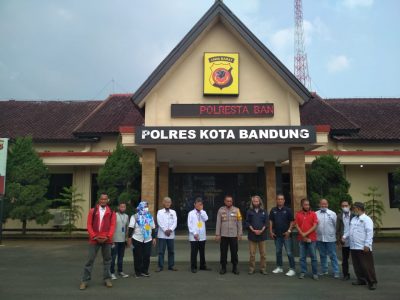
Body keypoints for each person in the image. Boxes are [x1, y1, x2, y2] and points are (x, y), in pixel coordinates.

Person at [79, 193, 116, 290]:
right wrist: (94, 236)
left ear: (108, 200)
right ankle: (85, 280)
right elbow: (89, 225)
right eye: (102, 199)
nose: (103, 200)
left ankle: (107, 279)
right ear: (99, 200)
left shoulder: (112, 212)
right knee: (89, 260)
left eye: (105, 199)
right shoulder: (93, 211)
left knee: (107, 260)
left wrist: (107, 237)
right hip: (94, 239)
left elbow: (112, 226)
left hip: (107, 240)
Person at [344, 202, 377, 290]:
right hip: (354, 246)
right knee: (357, 265)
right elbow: (349, 230)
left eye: (354, 208)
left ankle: (372, 282)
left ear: (358, 208)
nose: (353, 210)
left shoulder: (367, 219)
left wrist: (367, 245)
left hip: (363, 247)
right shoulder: (354, 219)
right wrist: (344, 236)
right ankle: (361, 280)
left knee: (367, 265)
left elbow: (369, 233)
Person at [127, 201, 156, 278]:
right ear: (140, 207)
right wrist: (129, 238)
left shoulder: (150, 216)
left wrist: (154, 238)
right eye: (144, 207)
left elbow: (153, 228)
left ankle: (145, 271)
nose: (146, 208)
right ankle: (137, 272)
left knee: (147, 256)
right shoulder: (135, 217)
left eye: (147, 207)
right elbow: (131, 228)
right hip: (137, 239)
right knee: (138, 256)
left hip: (148, 239)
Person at [269, 194, 296, 277]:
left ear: (284, 201)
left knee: (289, 252)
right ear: (276, 200)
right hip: (277, 235)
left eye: (281, 199)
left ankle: (292, 269)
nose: (280, 200)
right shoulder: (273, 210)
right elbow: (271, 221)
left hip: (286, 235)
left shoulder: (288, 210)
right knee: (278, 252)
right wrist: (270, 231)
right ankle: (279, 267)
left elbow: (292, 221)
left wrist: (289, 231)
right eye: (278, 199)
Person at [215, 195, 243, 275]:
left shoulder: (237, 210)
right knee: (223, 252)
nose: (229, 202)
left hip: (233, 235)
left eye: (230, 201)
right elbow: (218, 222)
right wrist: (217, 234)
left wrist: (240, 233)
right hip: (224, 235)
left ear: (232, 201)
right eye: (227, 201)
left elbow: (239, 222)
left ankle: (235, 267)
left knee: (234, 252)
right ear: (224, 201)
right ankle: (223, 267)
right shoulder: (221, 210)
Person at [295, 198, 319, 280]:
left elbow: (315, 225)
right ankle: (303, 272)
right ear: (302, 205)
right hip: (301, 239)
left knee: (313, 257)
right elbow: (296, 225)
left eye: (308, 204)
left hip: (311, 239)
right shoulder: (298, 214)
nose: (307, 206)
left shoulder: (313, 214)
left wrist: (305, 234)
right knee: (302, 257)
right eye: (305, 204)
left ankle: (315, 273)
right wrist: (302, 235)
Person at [316, 198, 340, 278]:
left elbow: (336, 225)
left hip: (330, 238)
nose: (323, 205)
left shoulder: (332, 213)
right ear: (319, 205)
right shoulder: (316, 213)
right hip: (319, 238)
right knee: (322, 255)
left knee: (332, 255)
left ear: (327, 204)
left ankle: (336, 271)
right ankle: (324, 270)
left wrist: (336, 235)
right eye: (322, 204)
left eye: (325, 204)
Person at [245, 195, 268, 275]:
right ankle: (251, 269)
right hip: (252, 235)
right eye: (254, 201)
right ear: (252, 202)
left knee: (263, 254)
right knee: (252, 254)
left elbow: (266, 222)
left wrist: (261, 230)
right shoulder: (249, 211)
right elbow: (247, 222)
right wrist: (253, 230)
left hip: (262, 235)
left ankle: (263, 269)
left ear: (260, 202)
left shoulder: (264, 211)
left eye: (257, 201)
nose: (256, 202)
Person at [187, 197, 211, 273]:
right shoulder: (191, 213)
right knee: (194, 252)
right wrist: (194, 233)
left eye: (200, 204)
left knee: (202, 252)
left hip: (202, 236)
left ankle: (202, 266)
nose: (199, 206)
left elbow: (206, 219)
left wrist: (202, 211)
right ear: (194, 204)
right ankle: (193, 267)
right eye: (197, 204)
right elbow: (189, 225)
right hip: (194, 236)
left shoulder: (203, 212)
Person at [156, 196, 178, 272]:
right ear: (163, 203)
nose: (168, 203)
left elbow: (175, 222)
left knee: (171, 251)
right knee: (161, 251)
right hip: (162, 235)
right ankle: (160, 266)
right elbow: (160, 222)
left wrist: (170, 230)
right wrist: (165, 230)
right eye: (166, 202)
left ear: (171, 203)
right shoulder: (160, 212)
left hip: (170, 235)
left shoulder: (173, 212)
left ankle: (171, 266)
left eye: (169, 202)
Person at [336, 199, 355, 281]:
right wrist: (339, 241)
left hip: (354, 241)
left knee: (356, 259)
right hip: (344, 241)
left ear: (350, 206)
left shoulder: (354, 215)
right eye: (343, 206)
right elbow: (338, 229)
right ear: (341, 207)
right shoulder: (339, 216)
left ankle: (361, 275)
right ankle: (346, 274)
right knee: (344, 259)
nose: (345, 207)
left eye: (346, 205)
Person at [110, 202, 130, 280]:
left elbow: (127, 228)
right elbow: (111, 228)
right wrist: (111, 239)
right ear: (118, 207)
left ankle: (120, 271)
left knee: (121, 257)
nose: (122, 208)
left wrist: (127, 238)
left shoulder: (126, 216)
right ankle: (111, 272)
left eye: (124, 207)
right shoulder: (114, 215)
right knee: (113, 257)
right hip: (114, 240)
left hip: (122, 240)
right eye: (121, 207)